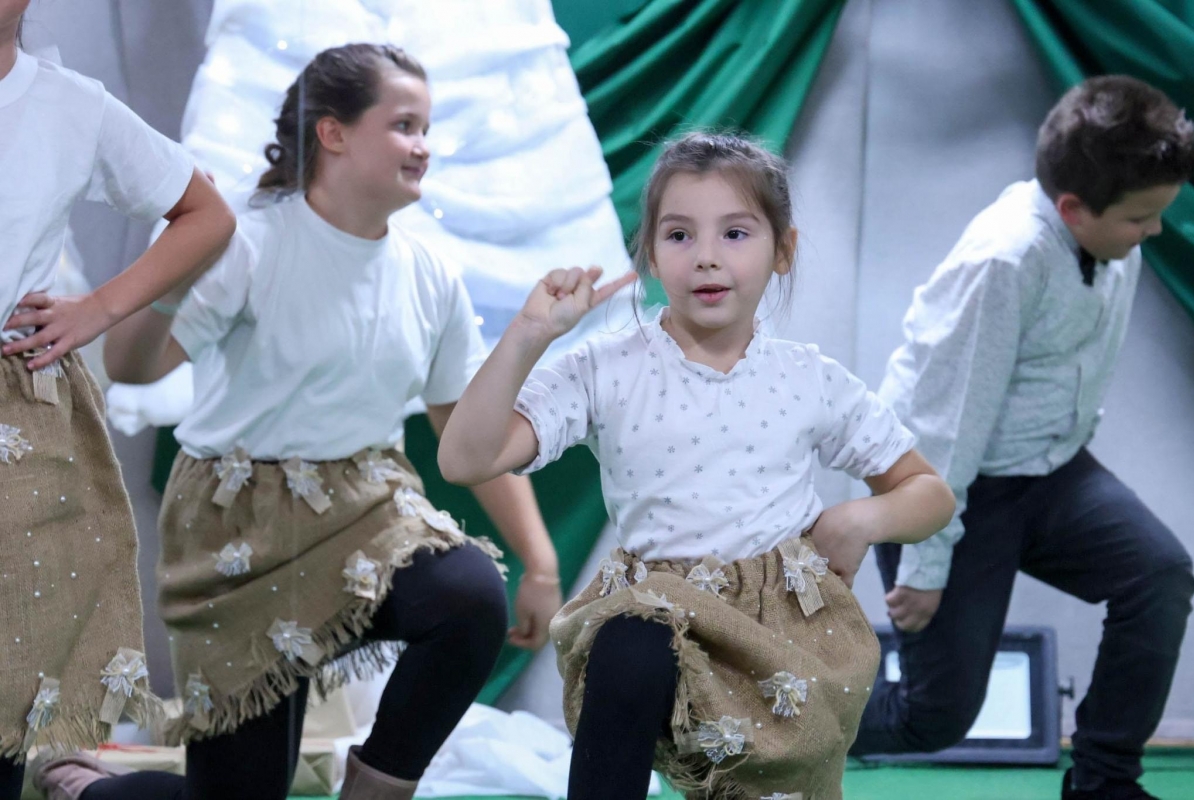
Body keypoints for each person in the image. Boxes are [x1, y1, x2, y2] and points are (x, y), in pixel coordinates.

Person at [35, 43, 561, 800]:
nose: (425, 145)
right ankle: (88, 790)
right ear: (334, 134)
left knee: (470, 594)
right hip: (234, 534)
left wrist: (539, 563)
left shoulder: (430, 274)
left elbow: (469, 435)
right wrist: (173, 273)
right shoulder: (248, 243)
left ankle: (376, 788)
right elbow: (132, 365)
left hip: (364, 513)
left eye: (427, 127)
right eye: (405, 124)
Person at [438, 131, 956, 800]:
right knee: (629, 645)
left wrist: (862, 518)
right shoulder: (606, 368)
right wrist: (528, 336)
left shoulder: (810, 380)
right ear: (650, 253)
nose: (706, 258)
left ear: (783, 251)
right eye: (679, 236)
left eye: (735, 234)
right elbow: (464, 458)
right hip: (654, 617)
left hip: (778, 636)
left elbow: (930, 494)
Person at [850, 75, 1194, 800]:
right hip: (945, 481)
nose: (1154, 232)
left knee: (1158, 574)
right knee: (932, 718)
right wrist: (926, 558)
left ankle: (1103, 784)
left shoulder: (1111, 238)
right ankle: (757, 720)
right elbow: (946, 422)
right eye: (1141, 219)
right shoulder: (1003, 262)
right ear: (1073, 209)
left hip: (1047, 471)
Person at [0, 2, 235, 796]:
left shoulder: (71, 104)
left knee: (7, 686)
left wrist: (95, 310)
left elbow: (205, 214)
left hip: (17, 418)